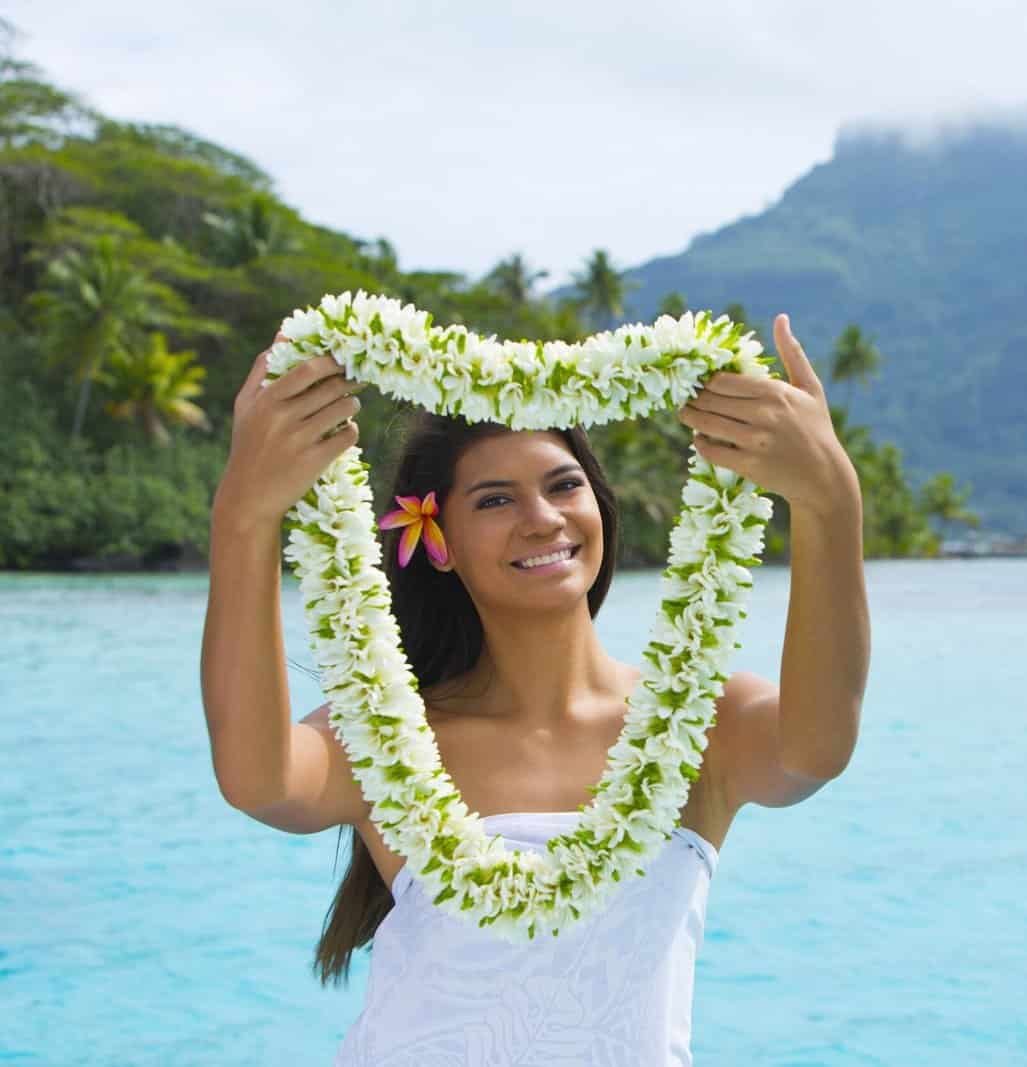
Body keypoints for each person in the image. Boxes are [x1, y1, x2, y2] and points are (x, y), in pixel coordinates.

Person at [198, 313, 871, 1064]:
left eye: (564, 485)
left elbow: (819, 746)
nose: (543, 518)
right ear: (437, 541)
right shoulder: (388, 732)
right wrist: (245, 513)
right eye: (494, 500)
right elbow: (255, 778)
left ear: (599, 508)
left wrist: (829, 498)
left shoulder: (702, 722)